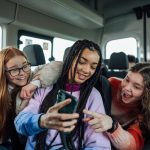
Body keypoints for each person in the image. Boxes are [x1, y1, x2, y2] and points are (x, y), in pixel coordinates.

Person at [15, 39, 111, 150]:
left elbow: (99, 146)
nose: (86, 70)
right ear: (69, 59)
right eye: (81, 62)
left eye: (93, 67)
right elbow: (20, 123)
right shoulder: (45, 88)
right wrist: (42, 121)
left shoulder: (93, 96)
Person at [0, 47, 62, 150]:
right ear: (3, 72)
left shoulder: (35, 75)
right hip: (6, 140)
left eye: (25, 66)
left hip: (27, 140)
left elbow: (59, 65)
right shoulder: (3, 90)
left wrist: (35, 83)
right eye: (14, 69)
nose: (22, 73)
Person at [83, 62, 150, 150]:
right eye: (127, 79)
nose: (126, 87)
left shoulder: (143, 113)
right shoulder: (110, 84)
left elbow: (132, 144)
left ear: (146, 94)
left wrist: (113, 126)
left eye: (136, 87)